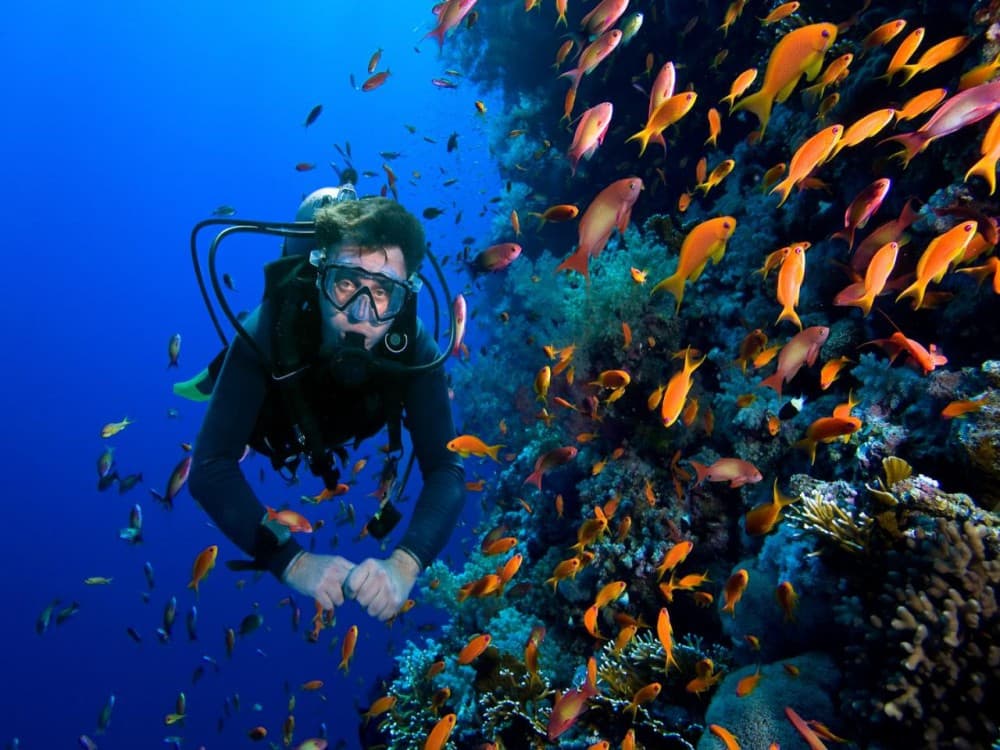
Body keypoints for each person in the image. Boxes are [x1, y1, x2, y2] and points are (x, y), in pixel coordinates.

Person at [187, 190, 465, 622]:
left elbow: (447, 470)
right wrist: (292, 560)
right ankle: (216, 379)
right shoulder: (269, 330)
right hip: (273, 421)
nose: (360, 312)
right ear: (320, 279)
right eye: (346, 283)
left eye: (383, 292)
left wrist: (406, 564)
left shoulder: (414, 347)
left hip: (338, 422)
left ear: (405, 297)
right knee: (233, 423)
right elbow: (208, 468)